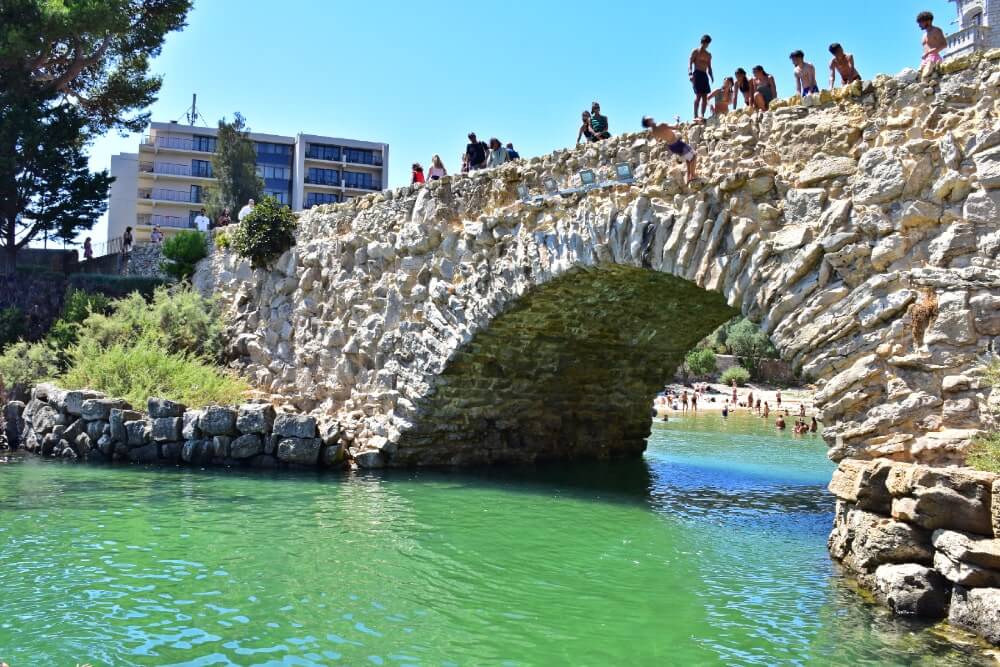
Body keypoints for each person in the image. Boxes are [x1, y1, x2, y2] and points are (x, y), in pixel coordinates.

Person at [641, 116, 698, 184]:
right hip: (677, 143)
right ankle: (693, 175)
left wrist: (665, 135)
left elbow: (658, 140)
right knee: (694, 156)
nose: (651, 117)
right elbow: (675, 127)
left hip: (672, 147)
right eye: (649, 118)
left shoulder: (653, 132)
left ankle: (688, 178)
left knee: (688, 159)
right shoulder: (661, 124)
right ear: (648, 122)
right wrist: (677, 119)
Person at [689, 34, 714, 120]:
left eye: (707, 43)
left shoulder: (708, 55)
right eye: (705, 43)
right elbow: (690, 63)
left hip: (704, 75)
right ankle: (695, 115)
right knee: (698, 95)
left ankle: (702, 115)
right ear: (701, 42)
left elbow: (709, 66)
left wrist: (711, 76)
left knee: (705, 97)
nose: (706, 45)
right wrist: (690, 74)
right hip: (697, 74)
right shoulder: (695, 51)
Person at [917, 11, 946, 78]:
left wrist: (928, 53)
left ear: (928, 21)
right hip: (924, 60)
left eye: (921, 22)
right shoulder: (924, 35)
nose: (919, 25)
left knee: (925, 76)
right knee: (918, 78)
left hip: (933, 58)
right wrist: (926, 55)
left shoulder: (936, 30)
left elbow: (944, 45)